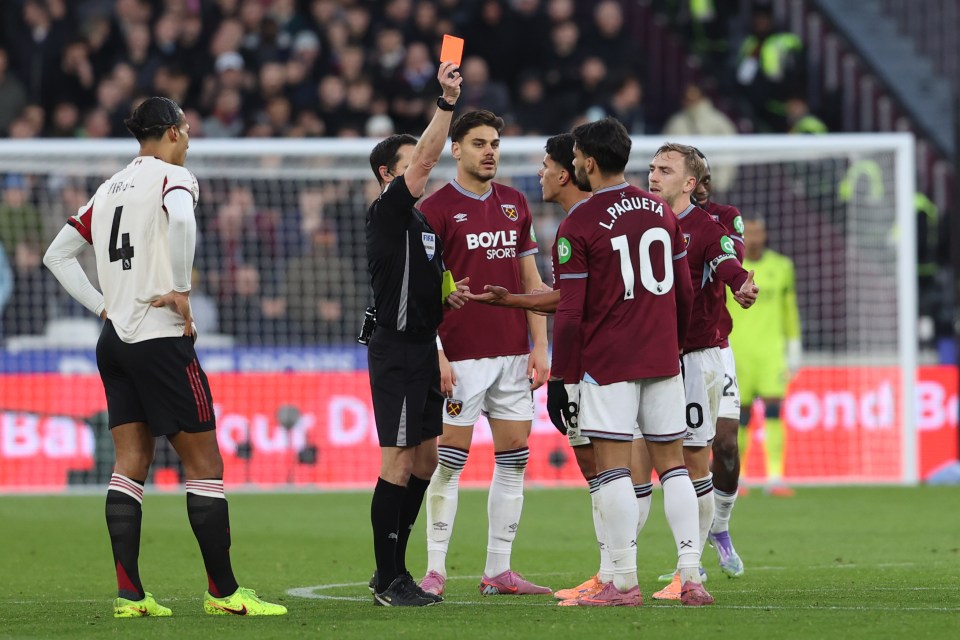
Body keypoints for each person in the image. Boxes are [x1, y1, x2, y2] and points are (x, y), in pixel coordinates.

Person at [42, 96, 287, 617]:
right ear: (174, 132)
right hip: (160, 338)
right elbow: (181, 222)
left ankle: (130, 597)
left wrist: (102, 307)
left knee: (130, 465)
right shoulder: (176, 177)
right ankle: (223, 594)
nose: (191, 136)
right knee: (205, 466)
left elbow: (56, 254)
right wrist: (180, 288)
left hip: (115, 343)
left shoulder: (107, 189)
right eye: (188, 128)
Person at [551, 118, 709, 606]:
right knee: (674, 468)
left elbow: (571, 311)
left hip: (610, 362)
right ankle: (691, 576)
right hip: (663, 358)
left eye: (576, 156)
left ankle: (622, 582)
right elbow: (684, 292)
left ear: (589, 162)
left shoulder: (577, 222)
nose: (573, 163)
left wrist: (562, 375)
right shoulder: (662, 211)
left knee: (614, 470)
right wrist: (675, 347)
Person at [418, 109, 552, 597]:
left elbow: (531, 282)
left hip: (515, 354)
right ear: (456, 149)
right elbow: (419, 292)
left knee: (514, 460)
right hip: (462, 355)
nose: (490, 151)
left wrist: (541, 346)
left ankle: (498, 570)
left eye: (494, 142)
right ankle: (435, 570)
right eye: (479, 143)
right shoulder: (433, 210)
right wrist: (436, 351)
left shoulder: (516, 204)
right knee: (449, 463)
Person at [364, 61, 468, 607]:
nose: (423, 172)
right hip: (398, 351)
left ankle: (393, 570)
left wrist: (446, 302)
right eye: (410, 167)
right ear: (389, 175)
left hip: (423, 350)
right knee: (399, 461)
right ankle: (388, 578)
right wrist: (446, 103)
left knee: (427, 462)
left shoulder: (422, 227)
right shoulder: (388, 212)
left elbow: (421, 286)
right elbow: (428, 155)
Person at [643, 142, 758, 601]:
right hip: (654, 353)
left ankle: (706, 545)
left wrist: (742, 287)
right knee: (650, 462)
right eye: (651, 169)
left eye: (664, 170)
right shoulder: (640, 220)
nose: (653, 176)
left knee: (715, 449)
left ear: (694, 181)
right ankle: (623, 567)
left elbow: (729, 263)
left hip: (706, 352)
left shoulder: (714, 223)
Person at [692, 152, 747, 578]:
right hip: (670, 350)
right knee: (681, 452)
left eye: (707, 176)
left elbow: (730, 260)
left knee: (725, 442)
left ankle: (721, 529)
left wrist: (741, 283)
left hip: (716, 348)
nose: (705, 183)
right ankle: (688, 550)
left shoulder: (724, 219)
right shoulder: (656, 219)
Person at [726, 215, 801, 497]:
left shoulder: (782, 267)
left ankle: (775, 476)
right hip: (738, 350)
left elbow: (789, 309)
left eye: (759, 231)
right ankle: (739, 477)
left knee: (773, 410)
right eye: (749, 232)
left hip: (771, 351)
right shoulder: (731, 267)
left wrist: (794, 346)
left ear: (766, 235)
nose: (754, 237)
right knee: (740, 415)